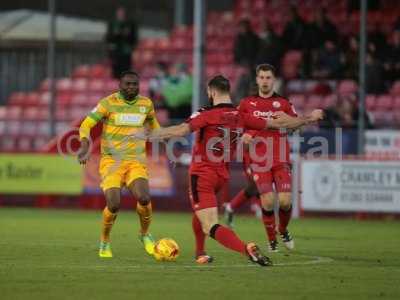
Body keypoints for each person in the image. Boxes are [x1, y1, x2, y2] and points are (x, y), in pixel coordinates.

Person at [139, 75, 322, 265]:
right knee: (201, 211)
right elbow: (280, 124)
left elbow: (180, 131)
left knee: (210, 224)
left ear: (211, 91)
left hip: (202, 174)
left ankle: (246, 249)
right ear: (229, 91)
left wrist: (150, 134)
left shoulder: (205, 113)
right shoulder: (241, 116)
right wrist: (310, 118)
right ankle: (200, 253)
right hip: (221, 175)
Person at [227, 64, 322, 252]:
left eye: (268, 77)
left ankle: (283, 229)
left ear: (273, 79)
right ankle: (272, 241)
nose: (264, 81)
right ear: (256, 79)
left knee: (285, 201)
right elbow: (236, 126)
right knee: (268, 201)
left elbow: (297, 126)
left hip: (280, 158)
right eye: (261, 77)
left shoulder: (284, 103)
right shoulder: (246, 103)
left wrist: (293, 119)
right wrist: (242, 136)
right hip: (258, 161)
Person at [77, 70, 160, 258]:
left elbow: (155, 127)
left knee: (144, 198)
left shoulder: (146, 104)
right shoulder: (108, 103)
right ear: (119, 85)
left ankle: (145, 234)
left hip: (135, 161)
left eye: (135, 84)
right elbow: (86, 125)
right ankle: (105, 242)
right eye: (127, 84)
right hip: (111, 161)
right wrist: (84, 145)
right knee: (114, 205)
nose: (131, 87)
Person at [106, 6, 138, 78]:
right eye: (119, 13)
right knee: (115, 69)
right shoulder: (112, 24)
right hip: (115, 51)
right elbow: (108, 37)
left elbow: (134, 37)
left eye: (122, 13)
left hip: (126, 51)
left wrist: (132, 45)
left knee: (125, 70)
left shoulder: (130, 24)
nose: (121, 15)